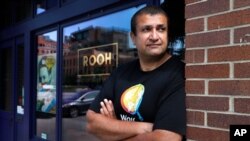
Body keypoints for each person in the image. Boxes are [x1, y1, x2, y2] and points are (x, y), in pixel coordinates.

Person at [86, 5, 186, 141]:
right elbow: (92, 123)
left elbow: (166, 138)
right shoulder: (120, 73)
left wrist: (113, 129)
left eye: (161, 29)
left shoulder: (179, 74)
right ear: (133, 37)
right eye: (146, 29)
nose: (155, 36)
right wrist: (146, 128)